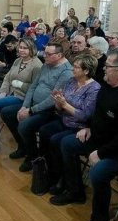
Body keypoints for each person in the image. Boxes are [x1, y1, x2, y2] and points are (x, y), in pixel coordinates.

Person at [50, 50, 118, 221]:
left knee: (98, 173)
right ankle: (75, 191)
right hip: (99, 140)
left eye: (107, 66)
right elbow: (98, 116)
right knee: (67, 143)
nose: (103, 68)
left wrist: (100, 153)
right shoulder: (106, 86)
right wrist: (87, 127)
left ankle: (99, 220)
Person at [1, 42, 73, 169]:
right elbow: (33, 86)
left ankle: (32, 156)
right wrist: (25, 106)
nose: (44, 55)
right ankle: (23, 146)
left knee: (24, 126)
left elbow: (53, 99)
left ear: (59, 55)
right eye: (44, 52)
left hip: (49, 110)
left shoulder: (66, 72)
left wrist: (30, 111)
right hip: (32, 105)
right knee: (6, 113)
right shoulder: (47, 64)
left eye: (48, 54)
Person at [39, 54, 101, 191]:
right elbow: (59, 109)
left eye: (76, 67)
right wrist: (57, 101)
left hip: (79, 126)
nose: (72, 69)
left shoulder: (94, 89)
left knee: (56, 140)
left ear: (86, 71)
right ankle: (51, 172)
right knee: (44, 132)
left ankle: (63, 178)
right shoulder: (71, 81)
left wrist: (65, 104)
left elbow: (84, 115)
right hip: (64, 119)